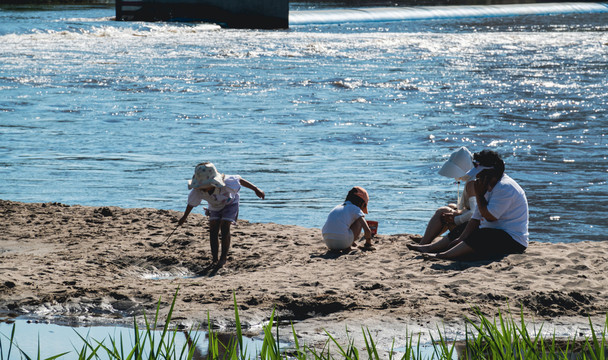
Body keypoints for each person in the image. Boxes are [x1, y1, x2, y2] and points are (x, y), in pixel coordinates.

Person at [408, 150, 528, 260]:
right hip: (494, 231)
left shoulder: (504, 187)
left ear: (489, 173)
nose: (477, 177)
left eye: (479, 174)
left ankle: (443, 255)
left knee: (484, 234)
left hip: (513, 240)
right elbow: (476, 217)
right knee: (466, 227)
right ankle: (429, 248)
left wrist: (479, 195)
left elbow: (490, 217)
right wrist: (461, 238)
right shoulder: (488, 185)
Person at [178, 162, 265, 267]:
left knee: (225, 226)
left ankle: (223, 258)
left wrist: (256, 189)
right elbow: (191, 204)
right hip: (214, 206)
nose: (203, 189)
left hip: (230, 203)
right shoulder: (197, 190)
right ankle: (214, 258)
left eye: (205, 186)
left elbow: (240, 180)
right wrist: (184, 217)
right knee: (213, 228)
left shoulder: (227, 182)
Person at [419, 147, 478, 245]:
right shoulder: (475, 177)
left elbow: (475, 213)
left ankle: (424, 242)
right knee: (451, 206)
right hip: (475, 223)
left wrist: (455, 218)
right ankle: (427, 239)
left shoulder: (472, 183)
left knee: (443, 211)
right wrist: (457, 213)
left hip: (473, 228)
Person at [322, 186, 373, 251]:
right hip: (343, 242)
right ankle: (348, 245)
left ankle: (349, 242)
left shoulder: (337, 207)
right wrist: (368, 244)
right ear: (362, 204)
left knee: (345, 222)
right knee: (359, 220)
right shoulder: (356, 209)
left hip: (328, 242)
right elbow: (367, 230)